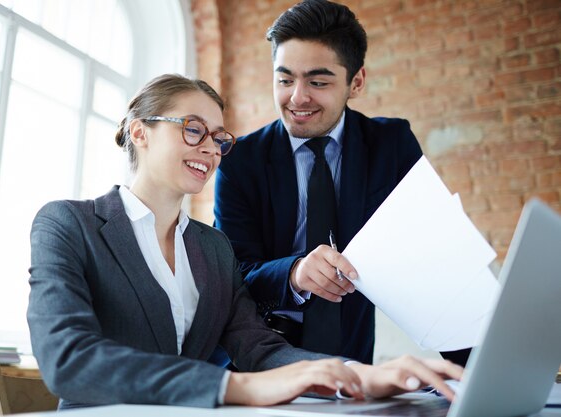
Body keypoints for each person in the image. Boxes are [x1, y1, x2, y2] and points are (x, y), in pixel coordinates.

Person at [27, 74, 462, 410]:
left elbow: (259, 348)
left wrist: (357, 376)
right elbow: (69, 359)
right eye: (193, 129)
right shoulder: (69, 224)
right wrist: (237, 386)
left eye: (219, 139)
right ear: (140, 132)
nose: (212, 150)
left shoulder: (214, 248)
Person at [214, 0, 471, 366]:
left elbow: (431, 254)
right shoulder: (240, 160)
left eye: (318, 82)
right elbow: (232, 274)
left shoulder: (391, 144)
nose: (297, 97)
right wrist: (295, 273)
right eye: (284, 79)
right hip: (254, 359)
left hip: (350, 358)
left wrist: (473, 374)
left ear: (357, 81)